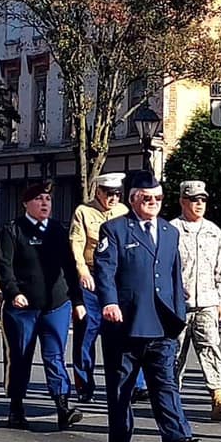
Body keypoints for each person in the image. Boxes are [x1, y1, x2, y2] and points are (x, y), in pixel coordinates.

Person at [93, 171, 203, 442]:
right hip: (126, 323)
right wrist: (109, 302)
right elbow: (104, 270)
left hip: (161, 323)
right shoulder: (115, 229)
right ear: (133, 199)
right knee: (121, 388)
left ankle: (177, 438)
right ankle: (119, 438)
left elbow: (174, 275)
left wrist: (179, 311)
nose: (153, 202)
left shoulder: (169, 232)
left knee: (165, 384)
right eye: (147, 198)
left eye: (158, 198)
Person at [0, 181, 86, 430]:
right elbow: (4, 266)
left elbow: (69, 267)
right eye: (38, 199)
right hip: (23, 307)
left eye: (47, 199)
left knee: (55, 356)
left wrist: (77, 300)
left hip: (56, 304)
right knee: (21, 356)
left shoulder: (57, 230)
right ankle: (16, 407)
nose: (45, 203)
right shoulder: (13, 230)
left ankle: (62, 406)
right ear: (26, 203)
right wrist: (13, 292)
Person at [171, 180, 221, 421]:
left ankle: (218, 399)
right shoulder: (171, 230)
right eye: (194, 200)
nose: (199, 204)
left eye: (203, 200)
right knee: (174, 352)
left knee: (211, 348)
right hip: (178, 305)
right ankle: (170, 399)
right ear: (183, 201)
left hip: (208, 302)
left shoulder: (214, 231)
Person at [69, 172, 130, 403]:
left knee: (122, 332)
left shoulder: (124, 212)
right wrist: (82, 271)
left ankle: (126, 383)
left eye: (117, 194)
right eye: (109, 194)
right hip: (92, 277)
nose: (113, 198)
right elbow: (76, 244)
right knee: (87, 331)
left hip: (116, 278)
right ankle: (84, 383)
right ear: (99, 192)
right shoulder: (84, 212)